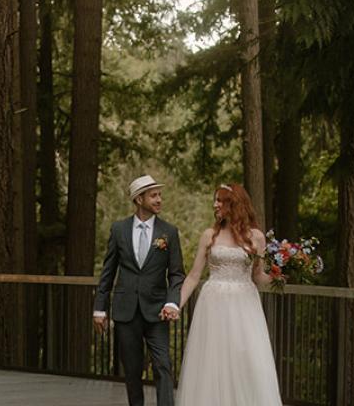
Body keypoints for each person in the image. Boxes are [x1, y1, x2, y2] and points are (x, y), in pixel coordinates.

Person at [175, 183, 283, 405]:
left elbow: (258, 276)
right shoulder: (209, 235)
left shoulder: (256, 237)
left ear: (233, 204)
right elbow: (194, 276)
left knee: (248, 361)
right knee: (213, 363)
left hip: (244, 306)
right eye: (214, 200)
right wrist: (176, 305)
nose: (214, 204)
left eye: (219, 200)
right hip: (213, 305)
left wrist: (279, 276)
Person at [95, 174, 187, 406]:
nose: (159, 200)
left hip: (157, 311)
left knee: (163, 365)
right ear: (139, 199)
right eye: (153, 195)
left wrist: (172, 302)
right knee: (133, 371)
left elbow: (176, 274)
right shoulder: (119, 230)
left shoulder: (169, 232)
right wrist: (99, 309)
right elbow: (108, 272)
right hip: (126, 312)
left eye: (159, 195)